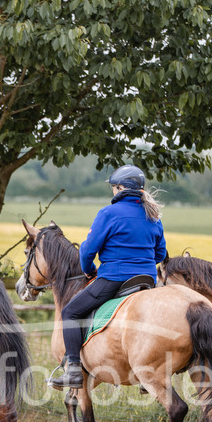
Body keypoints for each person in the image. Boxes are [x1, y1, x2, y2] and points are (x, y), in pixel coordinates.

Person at [50, 164, 167, 389]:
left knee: (70, 311)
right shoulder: (153, 216)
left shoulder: (108, 213)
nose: (112, 191)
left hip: (114, 279)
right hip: (147, 281)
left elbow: (87, 250)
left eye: (114, 187)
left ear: (121, 188)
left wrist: (89, 270)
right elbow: (160, 253)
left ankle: (73, 369)